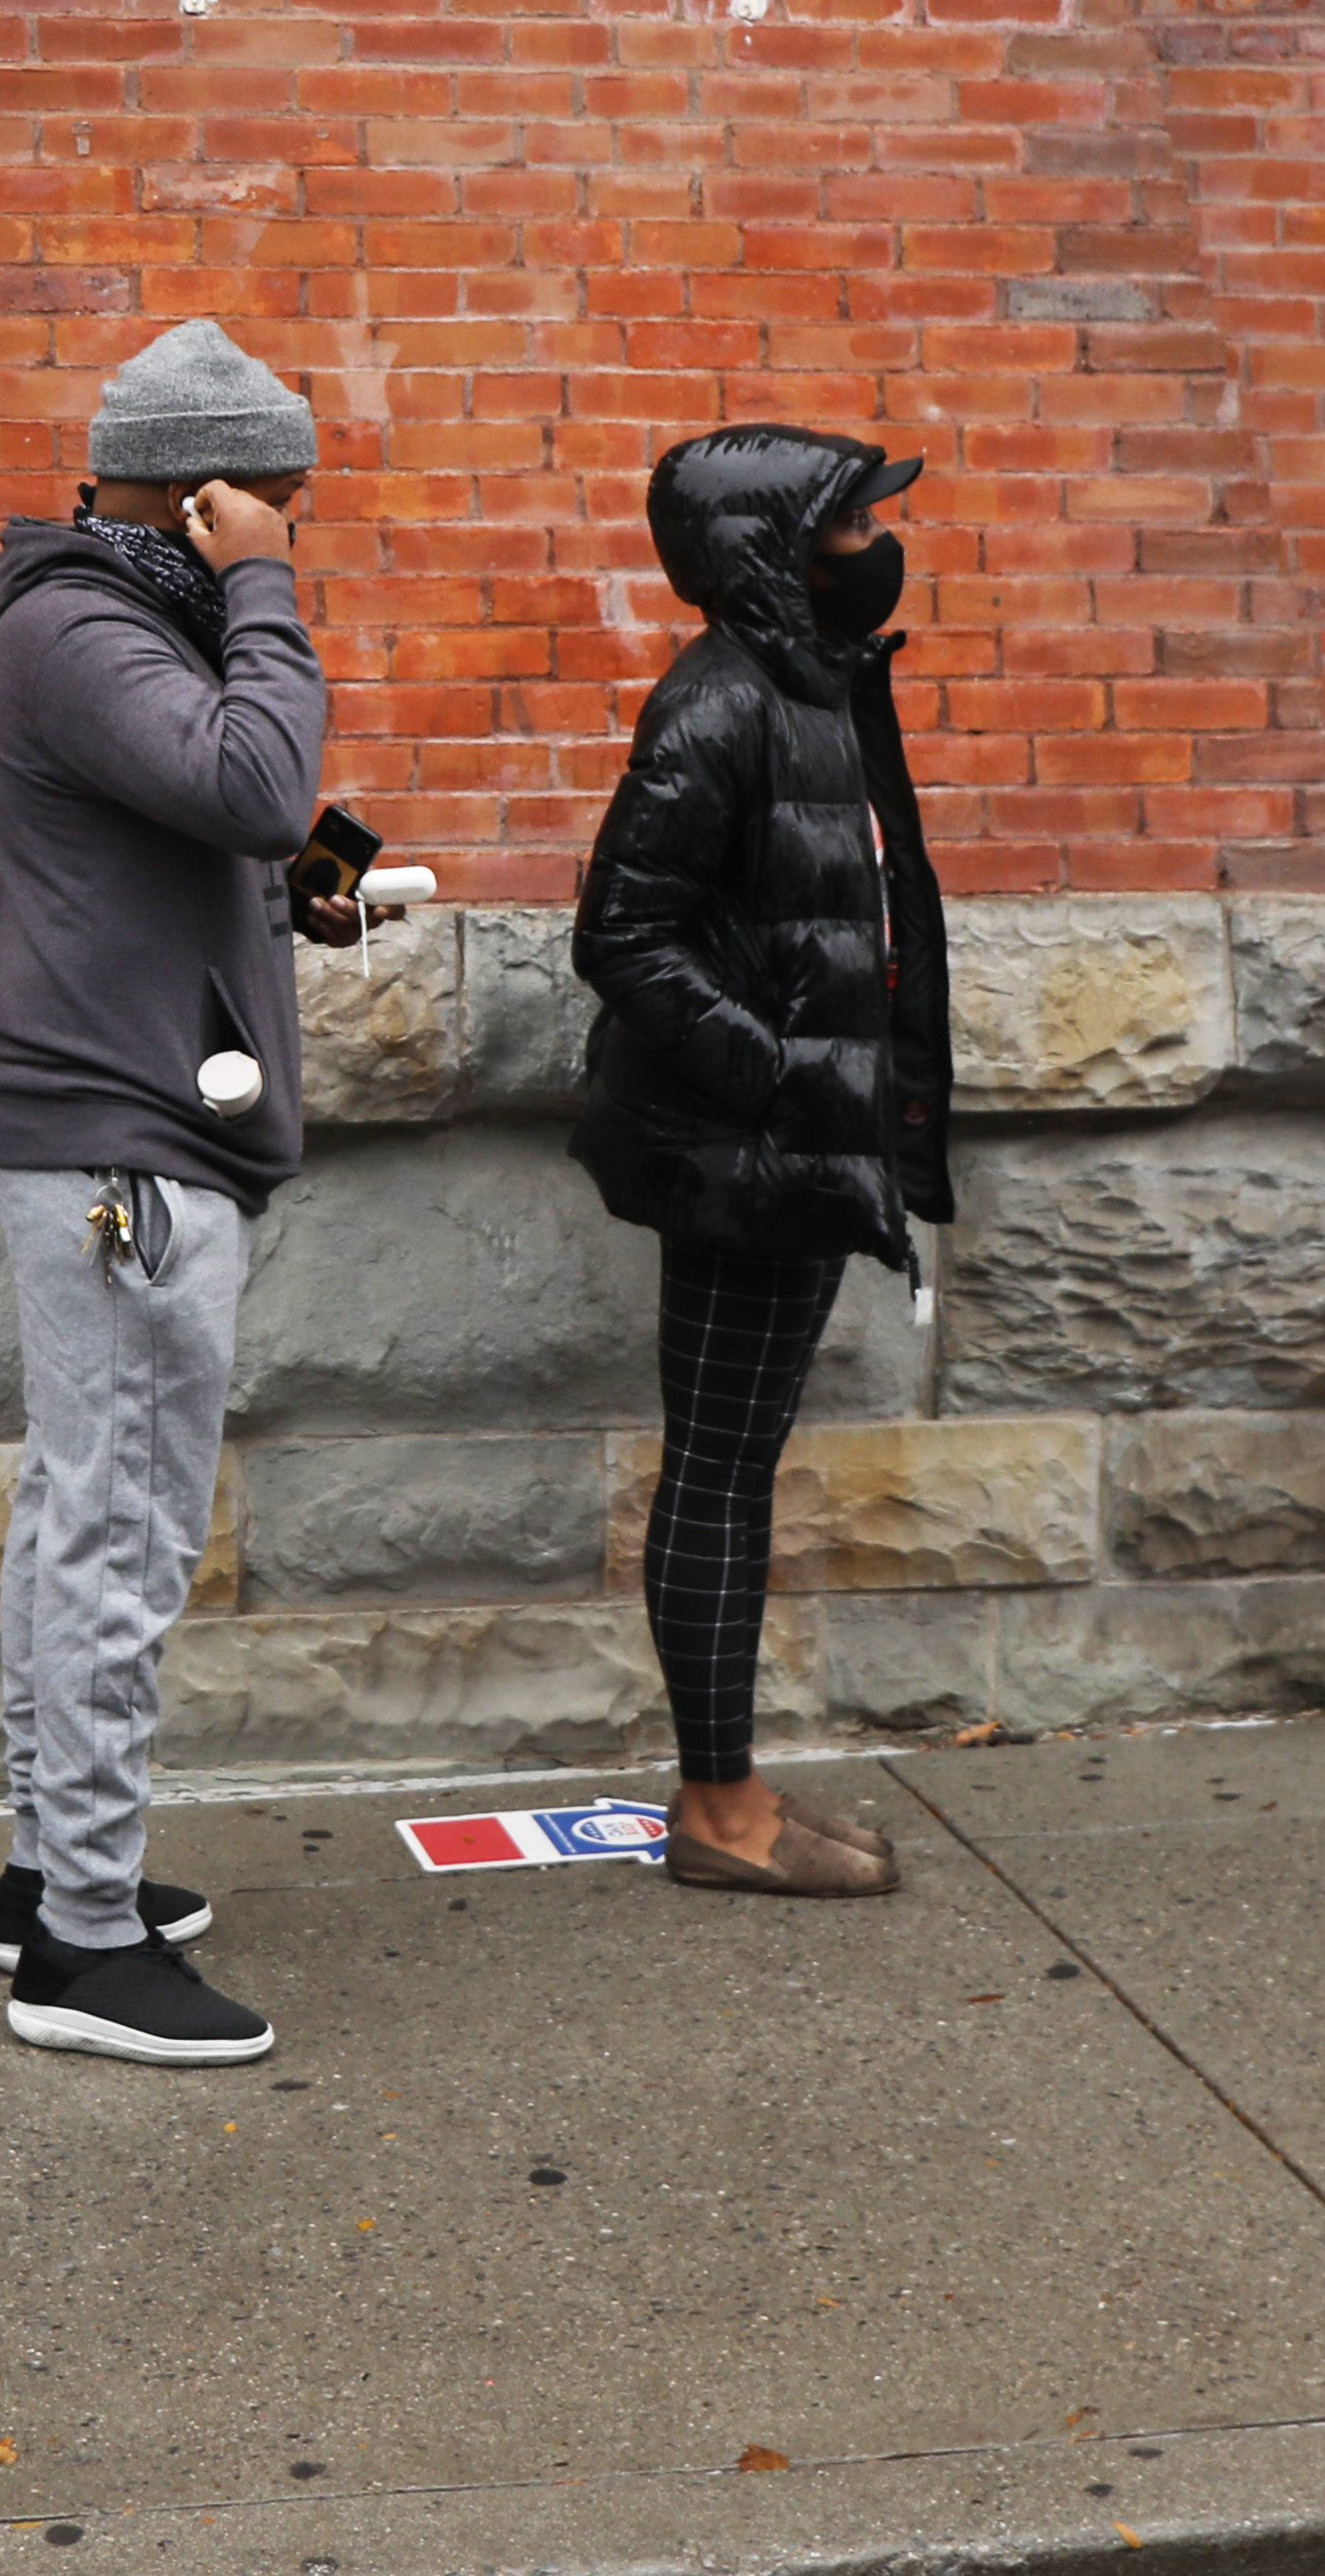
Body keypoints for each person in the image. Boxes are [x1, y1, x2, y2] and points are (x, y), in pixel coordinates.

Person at [0, 321, 346, 2068]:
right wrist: (262, 594)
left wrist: (293, 904)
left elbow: (216, 830)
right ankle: (89, 1951)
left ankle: (51, 1880)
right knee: (118, 1535)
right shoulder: (83, 624)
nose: (293, 526)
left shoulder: (103, 624)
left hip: (122, 1117)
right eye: (275, 497)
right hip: (126, 1143)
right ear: (198, 490)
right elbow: (254, 780)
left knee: (75, 1512)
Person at [567, 425, 943, 1896]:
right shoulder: (717, 705)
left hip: (789, 1148)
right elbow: (624, 938)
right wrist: (785, 1077)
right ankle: (718, 1815)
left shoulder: (805, 687)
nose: (875, 551)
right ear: (773, 550)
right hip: (743, 1159)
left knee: (738, 1464)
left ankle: (731, 1786)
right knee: (718, 1476)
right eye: (849, 530)